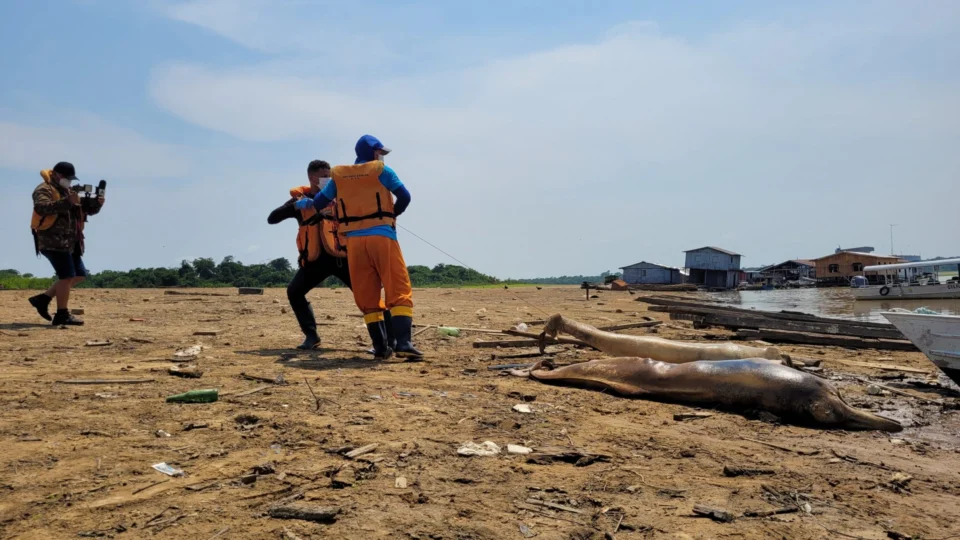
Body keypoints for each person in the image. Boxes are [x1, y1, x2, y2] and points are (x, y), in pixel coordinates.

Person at [295, 135, 422, 360]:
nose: (381, 156)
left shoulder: (339, 176)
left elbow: (319, 203)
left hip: (354, 244)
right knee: (398, 288)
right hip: (382, 237)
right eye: (380, 152)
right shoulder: (382, 171)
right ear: (372, 153)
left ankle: (381, 348)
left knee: (367, 294)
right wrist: (393, 213)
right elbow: (405, 196)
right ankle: (403, 343)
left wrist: (306, 204)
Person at [269, 160, 394, 350]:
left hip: (343, 259)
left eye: (330, 176)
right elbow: (272, 218)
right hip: (315, 261)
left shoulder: (340, 196)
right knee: (294, 292)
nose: (329, 179)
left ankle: (390, 341)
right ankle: (311, 337)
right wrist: (295, 207)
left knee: (370, 296)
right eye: (324, 176)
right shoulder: (300, 200)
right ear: (312, 178)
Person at [28, 162, 104, 326]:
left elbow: (83, 210)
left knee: (79, 274)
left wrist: (96, 205)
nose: (69, 181)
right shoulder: (44, 189)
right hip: (53, 241)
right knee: (66, 276)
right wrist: (67, 201)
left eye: (71, 178)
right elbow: (41, 208)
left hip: (71, 241)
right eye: (66, 177)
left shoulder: (68, 191)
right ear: (56, 174)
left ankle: (43, 299)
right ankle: (62, 314)